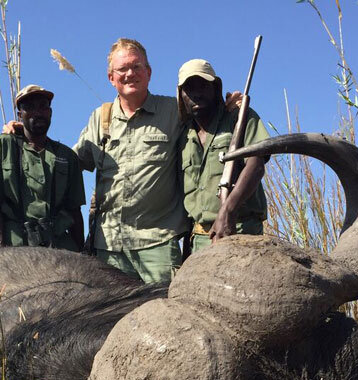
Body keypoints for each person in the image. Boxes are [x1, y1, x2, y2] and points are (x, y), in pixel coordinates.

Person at [71, 38, 189, 283]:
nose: (130, 74)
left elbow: (208, 118)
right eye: (122, 69)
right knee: (110, 320)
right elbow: (69, 164)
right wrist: (24, 139)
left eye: (136, 67)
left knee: (164, 317)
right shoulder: (100, 118)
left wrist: (231, 105)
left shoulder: (175, 111)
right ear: (111, 78)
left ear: (148, 72)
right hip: (108, 248)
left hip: (158, 243)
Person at [177, 59, 269, 253]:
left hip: (240, 229)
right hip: (199, 239)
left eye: (203, 85)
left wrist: (228, 210)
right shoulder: (183, 134)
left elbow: (257, 164)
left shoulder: (239, 118)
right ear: (181, 94)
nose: (196, 93)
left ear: (216, 88)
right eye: (189, 88)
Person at [0, 84, 85, 251]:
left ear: (50, 112)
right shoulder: (2, 146)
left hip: (59, 248)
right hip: (16, 247)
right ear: (20, 115)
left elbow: (75, 209)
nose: (37, 113)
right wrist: (0, 251)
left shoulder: (66, 156)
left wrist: (81, 254)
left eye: (43, 107)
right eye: (29, 108)